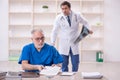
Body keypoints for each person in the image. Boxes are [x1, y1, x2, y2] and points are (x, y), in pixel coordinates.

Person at [51, 1, 93, 72]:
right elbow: (54, 31)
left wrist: (89, 29)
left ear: (69, 8)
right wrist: (53, 42)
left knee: (75, 63)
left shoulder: (77, 15)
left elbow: (86, 22)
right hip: (64, 43)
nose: (64, 10)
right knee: (64, 65)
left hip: (74, 42)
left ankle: (75, 77)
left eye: (65, 8)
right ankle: (65, 78)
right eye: (62, 9)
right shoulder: (58, 17)